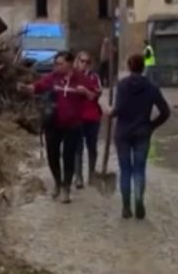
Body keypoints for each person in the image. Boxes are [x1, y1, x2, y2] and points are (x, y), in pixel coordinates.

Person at [19, 51, 92, 203]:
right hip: (53, 123)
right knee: (52, 155)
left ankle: (66, 188)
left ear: (70, 64)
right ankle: (58, 182)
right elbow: (37, 86)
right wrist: (25, 88)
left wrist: (85, 91)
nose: (56, 66)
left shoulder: (81, 78)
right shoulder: (53, 77)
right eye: (55, 64)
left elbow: (93, 95)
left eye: (60, 64)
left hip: (73, 124)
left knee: (69, 156)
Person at [112, 54, 171, 220]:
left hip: (123, 133)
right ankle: (138, 201)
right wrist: (152, 125)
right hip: (142, 133)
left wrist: (110, 112)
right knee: (139, 169)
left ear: (129, 66)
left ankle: (125, 207)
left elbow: (119, 109)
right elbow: (165, 112)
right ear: (143, 67)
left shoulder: (122, 85)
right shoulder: (152, 87)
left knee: (125, 170)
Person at [73, 51, 103, 189]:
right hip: (77, 118)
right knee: (77, 148)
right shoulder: (72, 76)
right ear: (77, 61)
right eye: (82, 61)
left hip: (92, 117)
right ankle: (78, 177)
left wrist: (85, 91)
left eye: (87, 62)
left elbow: (96, 94)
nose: (84, 64)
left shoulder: (94, 77)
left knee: (92, 147)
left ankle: (91, 174)